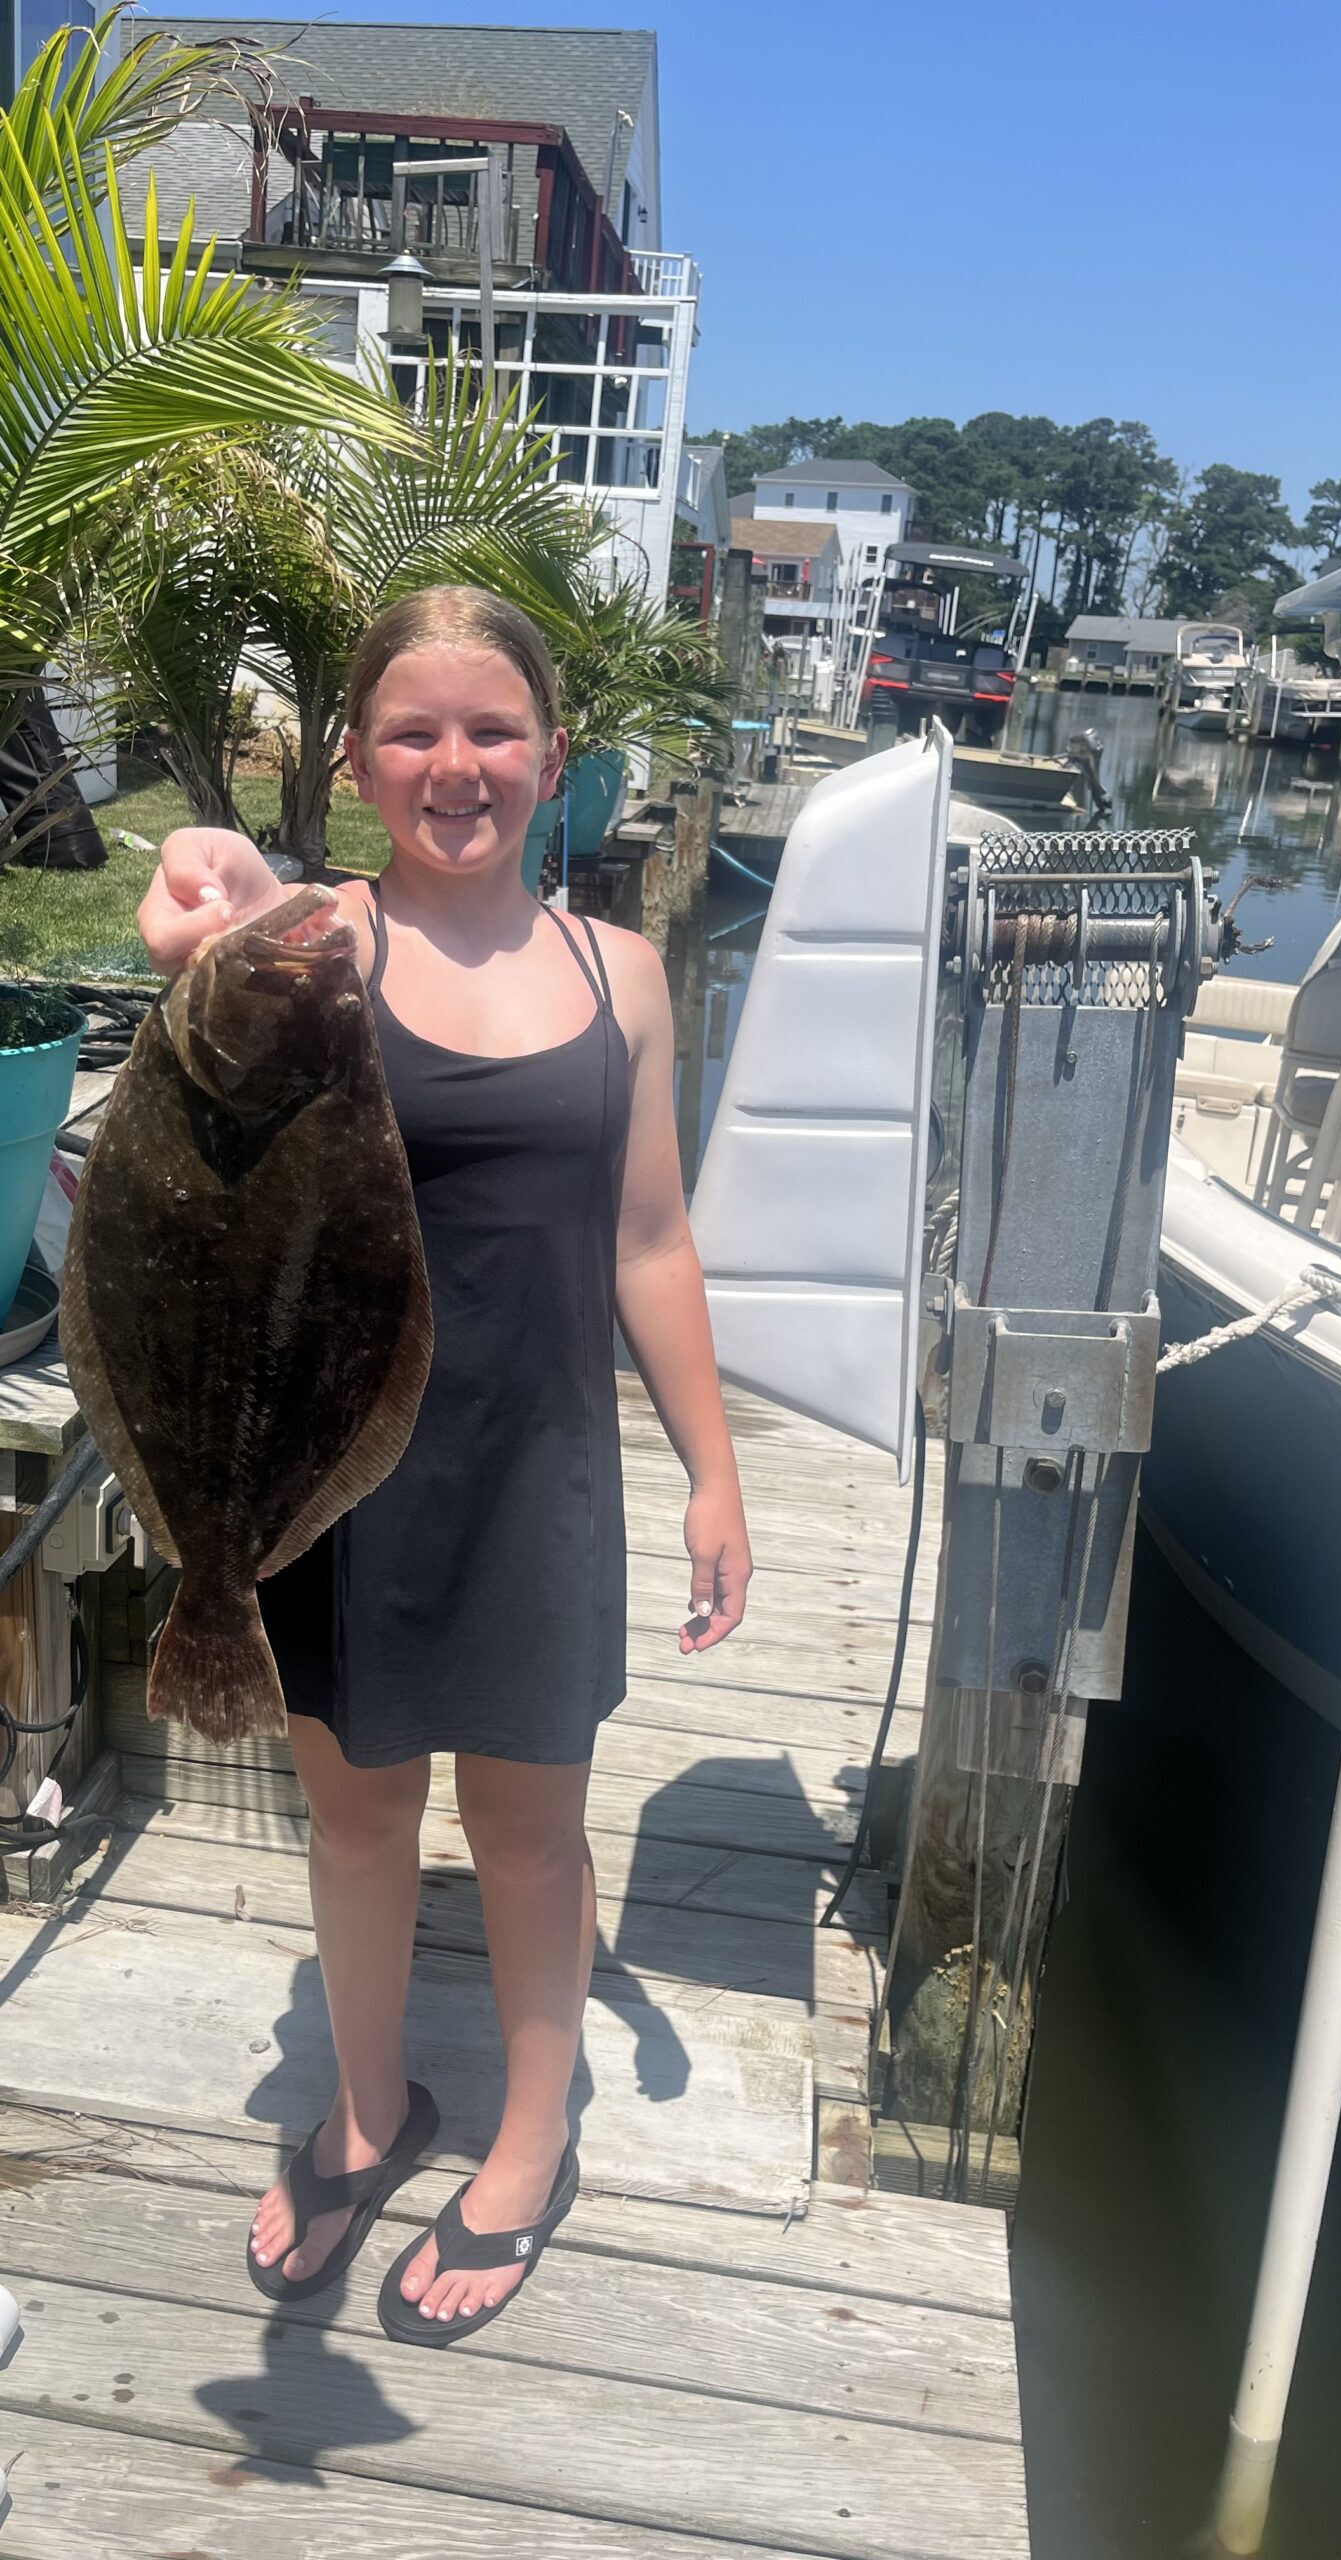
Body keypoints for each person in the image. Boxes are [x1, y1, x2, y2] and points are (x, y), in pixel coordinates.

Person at [136, 586, 753, 2345]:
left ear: (555, 756)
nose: (454, 764)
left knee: (530, 1835)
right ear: (354, 758)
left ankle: (530, 2142)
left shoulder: (621, 974)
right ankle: (364, 2107)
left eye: (493, 729)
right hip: (334, 1474)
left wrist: (713, 1474)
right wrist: (199, 887)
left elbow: (650, 1240)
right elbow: (200, 913)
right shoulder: (320, 943)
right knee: (358, 1819)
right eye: (412, 731)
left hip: (537, 1473)